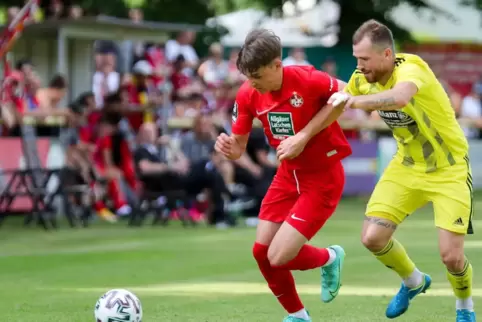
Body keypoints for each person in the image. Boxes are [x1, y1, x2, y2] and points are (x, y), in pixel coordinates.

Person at [330, 19, 475, 322]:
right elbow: (335, 101)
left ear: (386, 55)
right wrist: (301, 137)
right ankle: (413, 281)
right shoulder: (361, 78)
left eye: (364, 59)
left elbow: (399, 97)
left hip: (449, 169)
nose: (359, 66)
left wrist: (355, 101)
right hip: (406, 166)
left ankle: (464, 307)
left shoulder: (412, 67)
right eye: (357, 58)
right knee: (372, 238)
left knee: (451, 257)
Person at [215, 29, 352, 322]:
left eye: (258, 76)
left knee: (278, 256)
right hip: (288, 176)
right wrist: (229, 148)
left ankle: (329, 257)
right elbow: (238, 148)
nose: (252, 84)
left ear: (277, 65)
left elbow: (345, 94)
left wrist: (303, 135)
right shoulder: (249, 92)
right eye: (247, 78)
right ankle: (298, 316)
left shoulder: (306, 79)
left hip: (322, 177)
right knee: (261, 252)